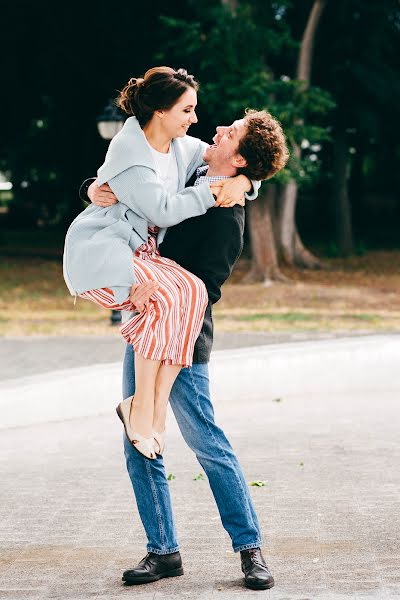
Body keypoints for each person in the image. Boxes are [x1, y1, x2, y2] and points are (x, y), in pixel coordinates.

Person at [83, 100, 289, 589]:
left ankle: (250, 548)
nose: (218, 128)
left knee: (207, 443)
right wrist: (91, 188)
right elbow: (126, 182)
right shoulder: (188, 163)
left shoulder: (227, 216)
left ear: (239, 159)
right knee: (139, 436)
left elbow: (206, 287)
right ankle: (163, 552)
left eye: (232, 131)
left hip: (183, 336)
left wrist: (158, 286)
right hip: (144, 321)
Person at [63, 67, 254, 460]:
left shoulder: (181, 146)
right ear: (162, 112)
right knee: (169, 294)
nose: (195, 119)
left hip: (143, 254)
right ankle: (144, 411)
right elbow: (163, 210)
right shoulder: (130, 150)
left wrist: (245, 183)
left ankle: (149, 410)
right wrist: (213, 192)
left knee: (194, 290)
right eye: (187, 110)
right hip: (106, 253)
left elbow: (236, 159)